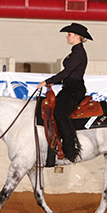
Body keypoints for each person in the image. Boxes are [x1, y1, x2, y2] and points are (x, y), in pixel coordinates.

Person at [37, 22, 93, 162]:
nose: (67, 37)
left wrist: (47, 81)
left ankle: (70, 149)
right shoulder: (75, 52)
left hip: (74, 89)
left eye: (69, 34)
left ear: (77, 37)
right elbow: (68, 74)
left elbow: (67, 72)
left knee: (60, 113)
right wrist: (54, 81)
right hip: (69, 87)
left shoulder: (78, 53)